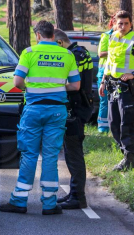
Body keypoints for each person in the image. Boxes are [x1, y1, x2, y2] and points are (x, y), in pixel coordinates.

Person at [0, 20, 81, 216]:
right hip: (56, 111)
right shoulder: (67, 54)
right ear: (53, 35)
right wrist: (58, 88)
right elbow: (75, 86)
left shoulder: (29, 53)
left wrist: (32, 88)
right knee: (51, 156)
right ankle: (50, 204)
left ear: (37, 35)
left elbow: (18, 82)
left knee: (29, 155)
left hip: (34, 110)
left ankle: (19, 201)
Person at [98, 10, 134, 171]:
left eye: (126, 23)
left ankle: (130, 157)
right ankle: (126, 155)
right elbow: (109, 62)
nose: (122, 26)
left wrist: (133, 74)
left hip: (127, 88)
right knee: (113, 122)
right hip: (111, 85)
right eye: (120, 23)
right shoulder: (112, 38)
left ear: (131, 24)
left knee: (126, 123)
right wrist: (103, 82)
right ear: (114, 24)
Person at [53, 29, 93, 210]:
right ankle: (74, 193)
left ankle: (78, 196)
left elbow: (73, 85)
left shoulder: (73, 56)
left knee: (74, 153)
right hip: (80, 108)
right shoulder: (81, 52)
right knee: (70, 153)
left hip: (75, 109)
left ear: (60, 43)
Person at [96, 15, 115, 133]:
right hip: (104, 72)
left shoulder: (127, 37)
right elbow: (100, 54)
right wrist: (115, 51)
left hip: (118, 73)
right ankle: (102, 128)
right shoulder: (106, 35)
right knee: (104, 101)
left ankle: (114, 127)